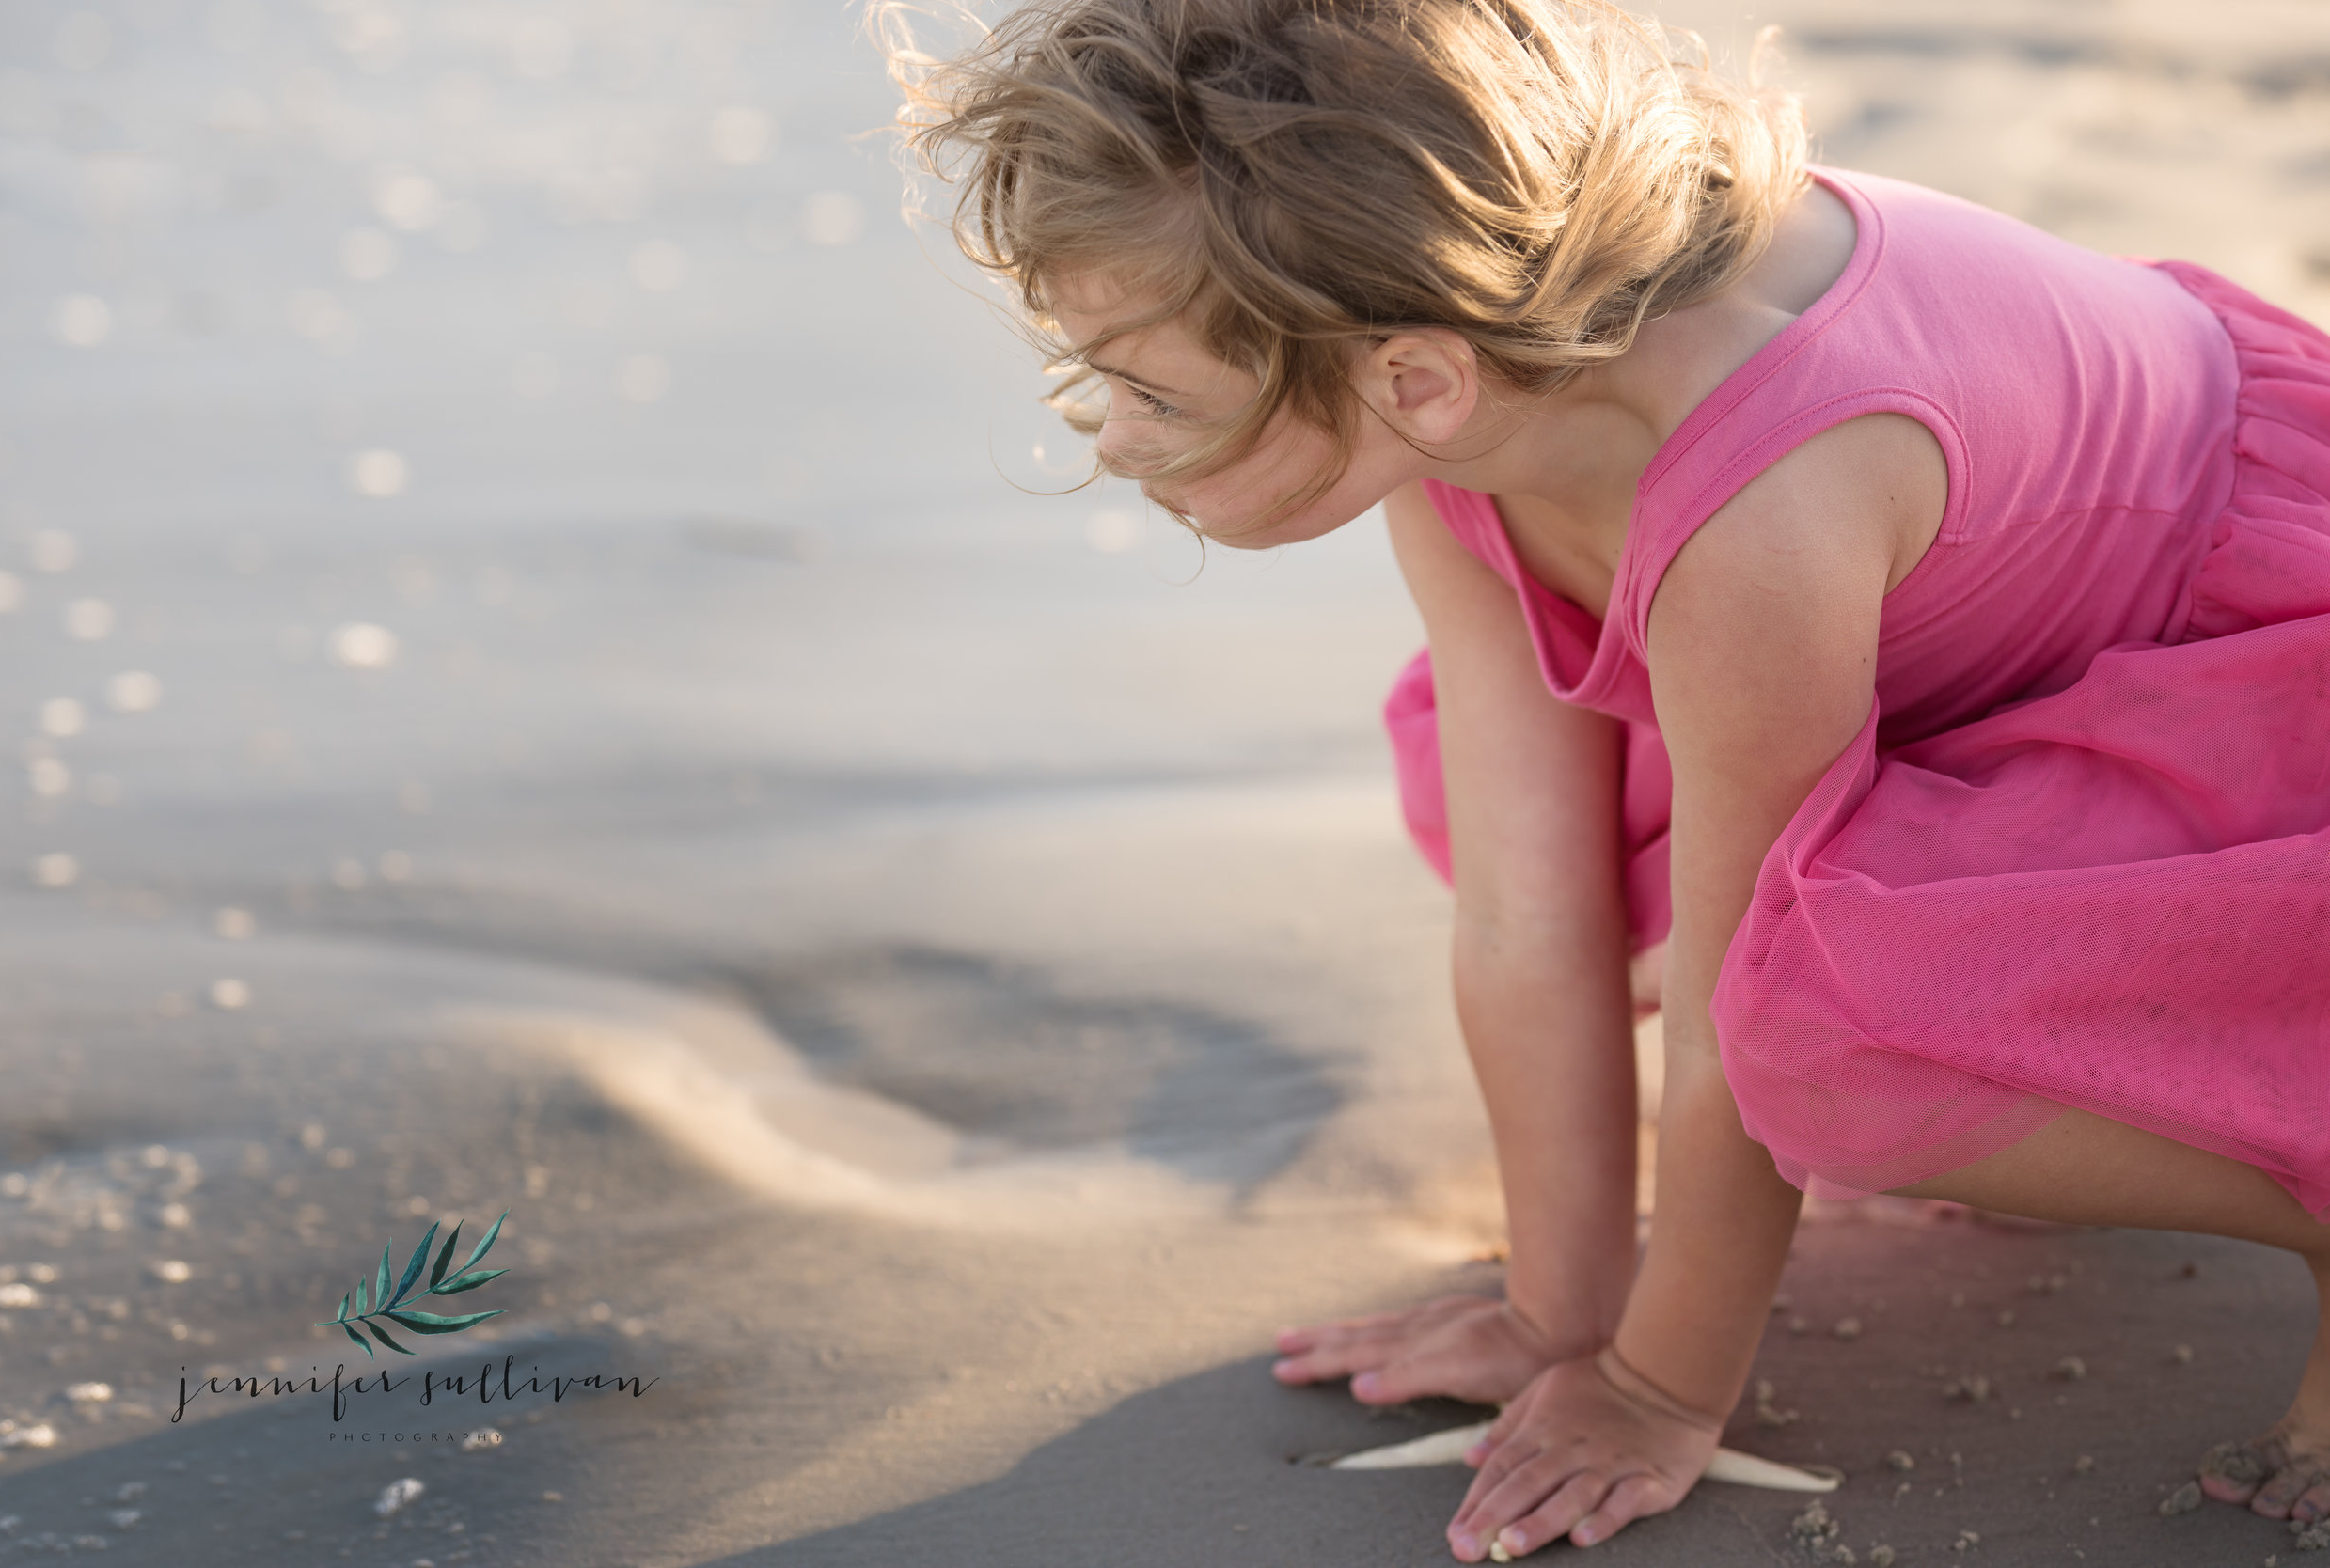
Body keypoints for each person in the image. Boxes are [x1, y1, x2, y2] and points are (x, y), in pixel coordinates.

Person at [878, 0, 2330, 1556]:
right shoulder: (1454, 394)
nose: (1106, 435)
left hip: (2241, 678)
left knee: (1815, 1032)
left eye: (1150, 391)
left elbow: (1730, 997)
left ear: (1416, 376)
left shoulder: (1762, 507)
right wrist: (1557, 1313)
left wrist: (1653, 1383)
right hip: (1983, 664)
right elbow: (1527, 908)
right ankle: (2052, 1071)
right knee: (1504, 782)